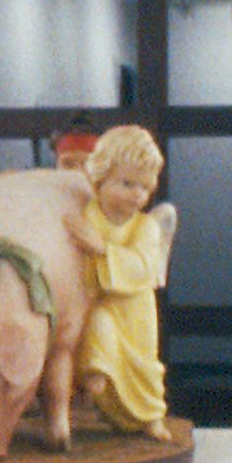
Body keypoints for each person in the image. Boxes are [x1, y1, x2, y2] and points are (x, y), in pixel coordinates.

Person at [66, 123, 175, 443]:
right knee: (97, 325)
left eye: (145, 187)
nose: (137, 194)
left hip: (135, 310)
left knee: (143, 365)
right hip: (97, 302)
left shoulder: (146, 227)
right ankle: (94, 380)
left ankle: (150, 416)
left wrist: (101, 249)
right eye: (127, 183)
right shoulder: (87, 216)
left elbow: (144, 267)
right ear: (99, 178)